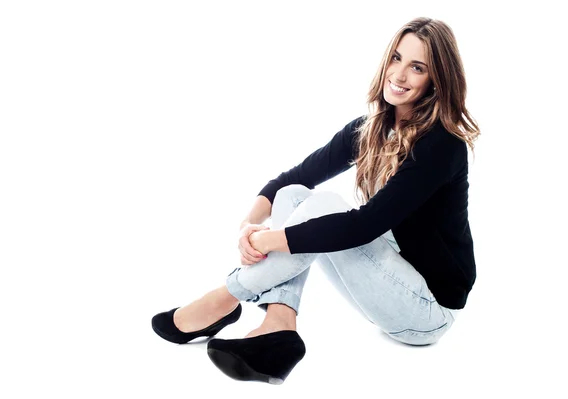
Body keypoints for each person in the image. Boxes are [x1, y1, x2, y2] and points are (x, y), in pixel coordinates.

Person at [151, 16, 480, 385]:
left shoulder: (443, 145)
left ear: (436, 81)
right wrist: (248, 226)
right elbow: (294, 179)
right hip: (389, 281)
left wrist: (267, 241)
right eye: (396, 59)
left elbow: (363, 226)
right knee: (294, 197)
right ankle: (279, 326)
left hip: (427, 311)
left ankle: (226, 297)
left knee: (326, 208)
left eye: (416, 67)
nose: (399, 75)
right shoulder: (373, 129)